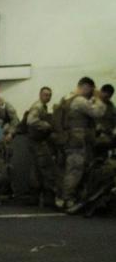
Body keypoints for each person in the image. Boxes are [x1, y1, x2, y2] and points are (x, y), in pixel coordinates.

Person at [59, 76, 106, 209]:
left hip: (69, 139)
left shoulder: (68, 98)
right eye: (91, 89)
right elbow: (97, 112)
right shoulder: (79, 100)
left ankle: (66, 197)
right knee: (75, 170)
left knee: (70, 169)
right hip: (76, 141)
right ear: (85, 87)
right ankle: (67, 199)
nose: (92, 92)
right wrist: (99, 98)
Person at [24, 87, 56, 205]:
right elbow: (31, 121)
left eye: (49, 95)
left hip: (36, 141)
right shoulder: (38, 107)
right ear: (40, 94)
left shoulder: (42, 106)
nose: (47, 97)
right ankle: (39, 196)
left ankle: (35, 197)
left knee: (37, 168)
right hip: (36, 142)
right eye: (45, 94)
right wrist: (45, 125)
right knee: (41, 168)